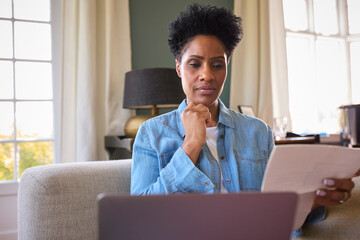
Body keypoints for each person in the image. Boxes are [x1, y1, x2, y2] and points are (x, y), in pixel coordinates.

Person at [130, 3, 358, 234]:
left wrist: (316, 199)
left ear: (227, 68)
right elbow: (139, 218)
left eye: (217, 65)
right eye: (194, 64)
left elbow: (279, 214)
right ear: (179, 68)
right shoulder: (152, 133)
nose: (207, 75)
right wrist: (191, 145)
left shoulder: (258, 131)